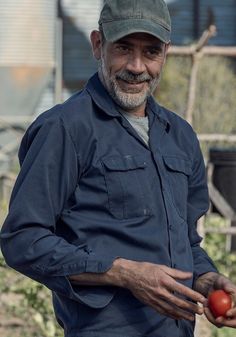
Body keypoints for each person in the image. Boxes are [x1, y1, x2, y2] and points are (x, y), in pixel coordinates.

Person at [1, 0, 236, 336]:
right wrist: (121, 273)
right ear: (99, 45)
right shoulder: (66, 129)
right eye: (124, 48)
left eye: (151, 52)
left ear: (165, 54)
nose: (137, 66)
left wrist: (205, 278)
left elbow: (186, 243)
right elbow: (22, 239)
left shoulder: (179, 136)